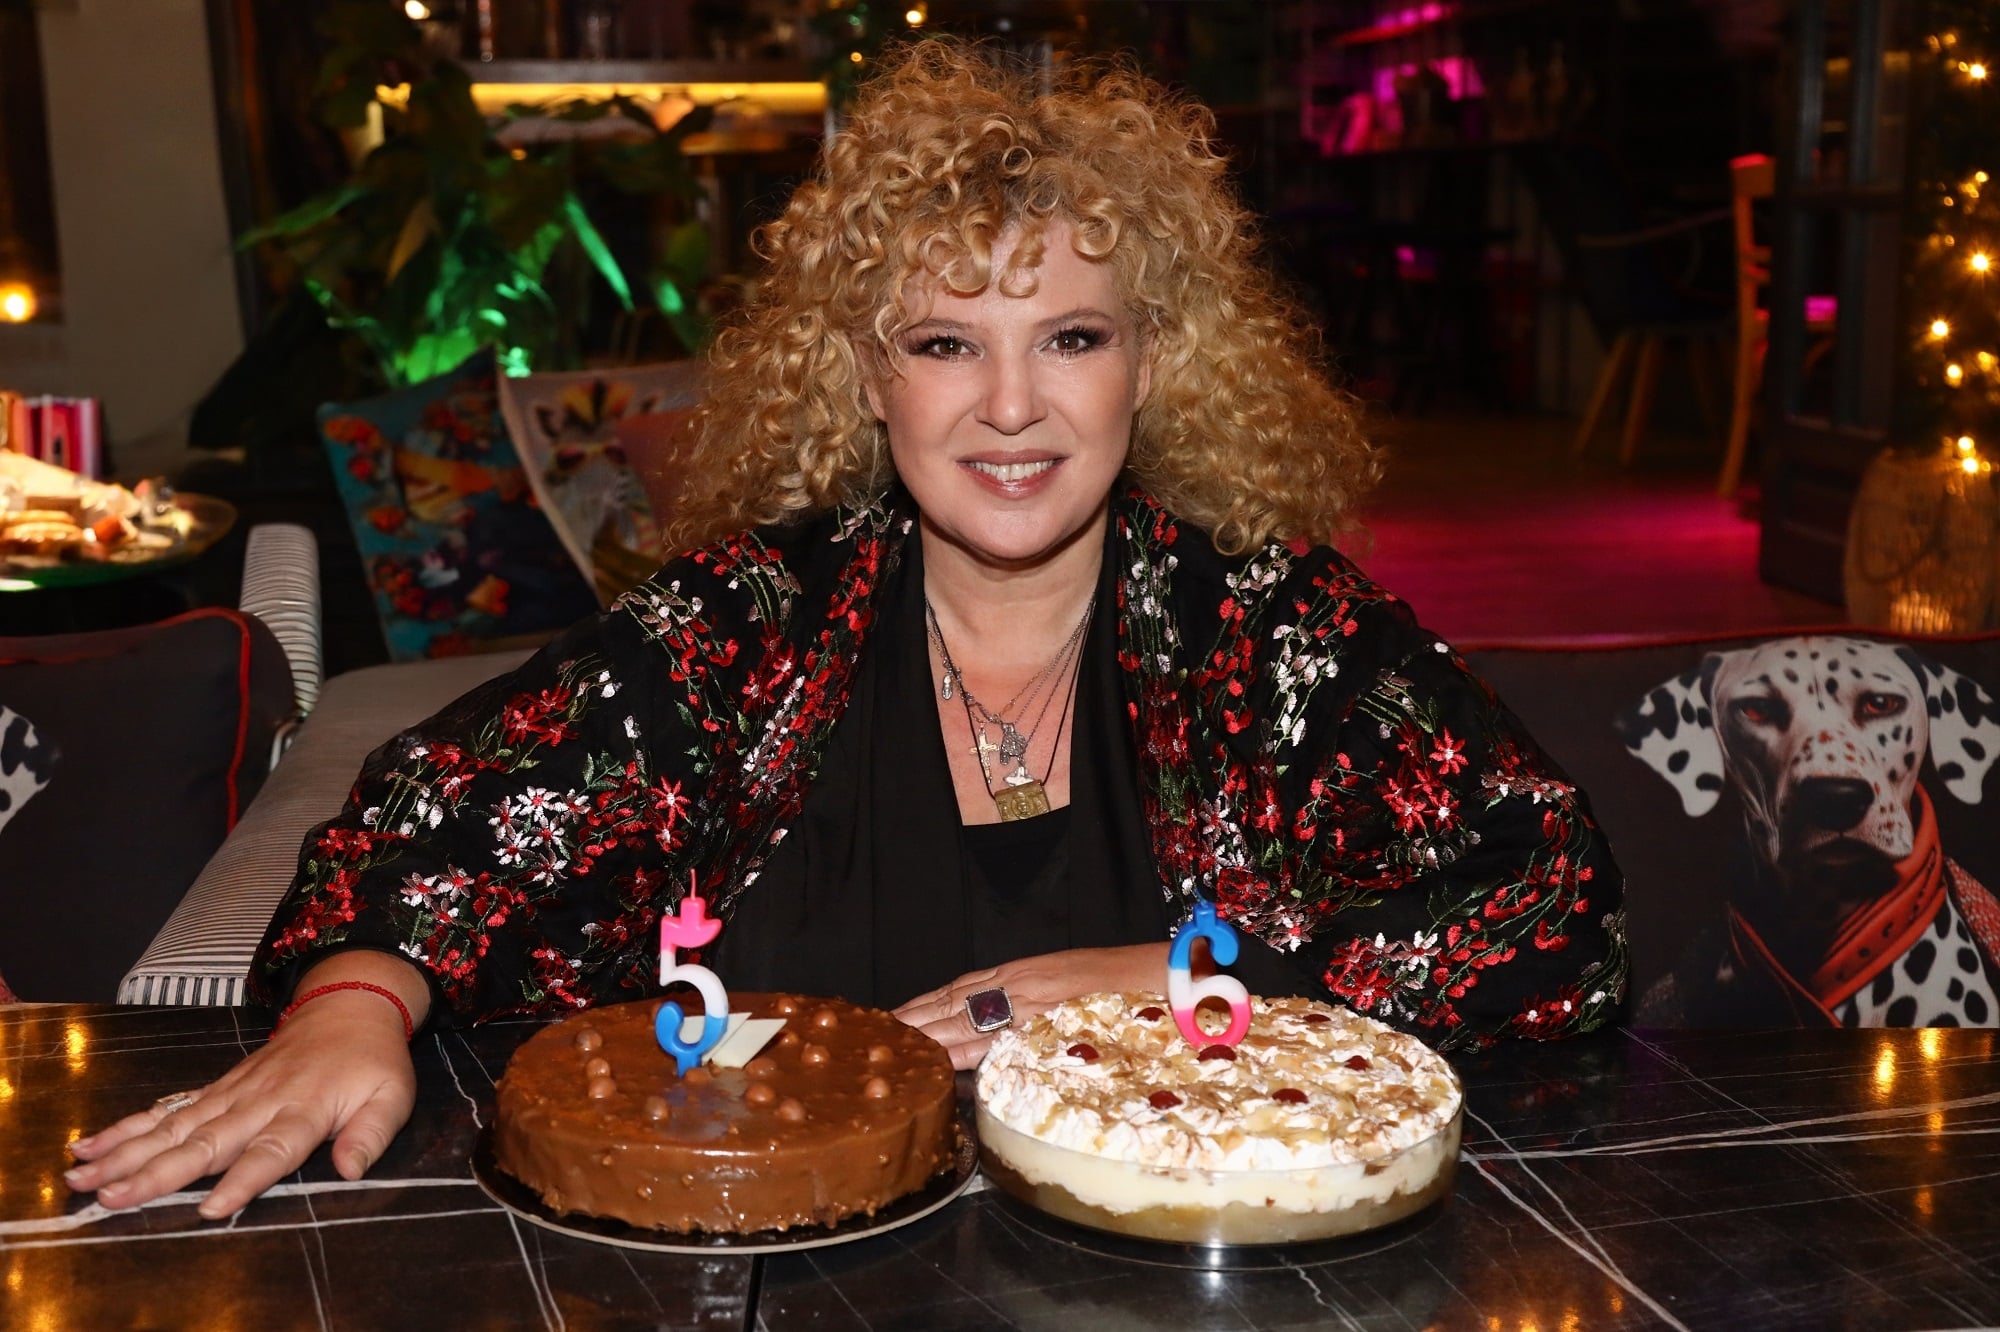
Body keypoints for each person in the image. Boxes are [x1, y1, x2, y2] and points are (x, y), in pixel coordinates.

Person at [66, 40, 1629, 1221]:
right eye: (944, 343)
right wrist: (352, 1008)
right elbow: (437, 822)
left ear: (1152, 363)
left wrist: (1191, 976)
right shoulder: (749, 628)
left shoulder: (1274, 629)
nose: (1009, 407)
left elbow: (1555, 904)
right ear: (868, 377)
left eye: (1070, 337)